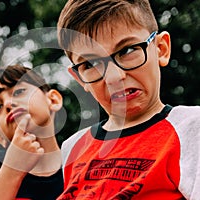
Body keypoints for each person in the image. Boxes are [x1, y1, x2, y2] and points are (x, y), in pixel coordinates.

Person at [56, 0, 200, 199]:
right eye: (91, 64)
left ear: (161, 49)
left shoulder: (192, 128)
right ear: (80, 79)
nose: (114, 77)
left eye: (127, 51)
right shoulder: (73, 148)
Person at [0, 64, 64, 200]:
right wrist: (13, 170)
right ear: (0, 138)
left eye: (18, 92)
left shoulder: (82, 163)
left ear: (53, 100)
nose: (8, 104)